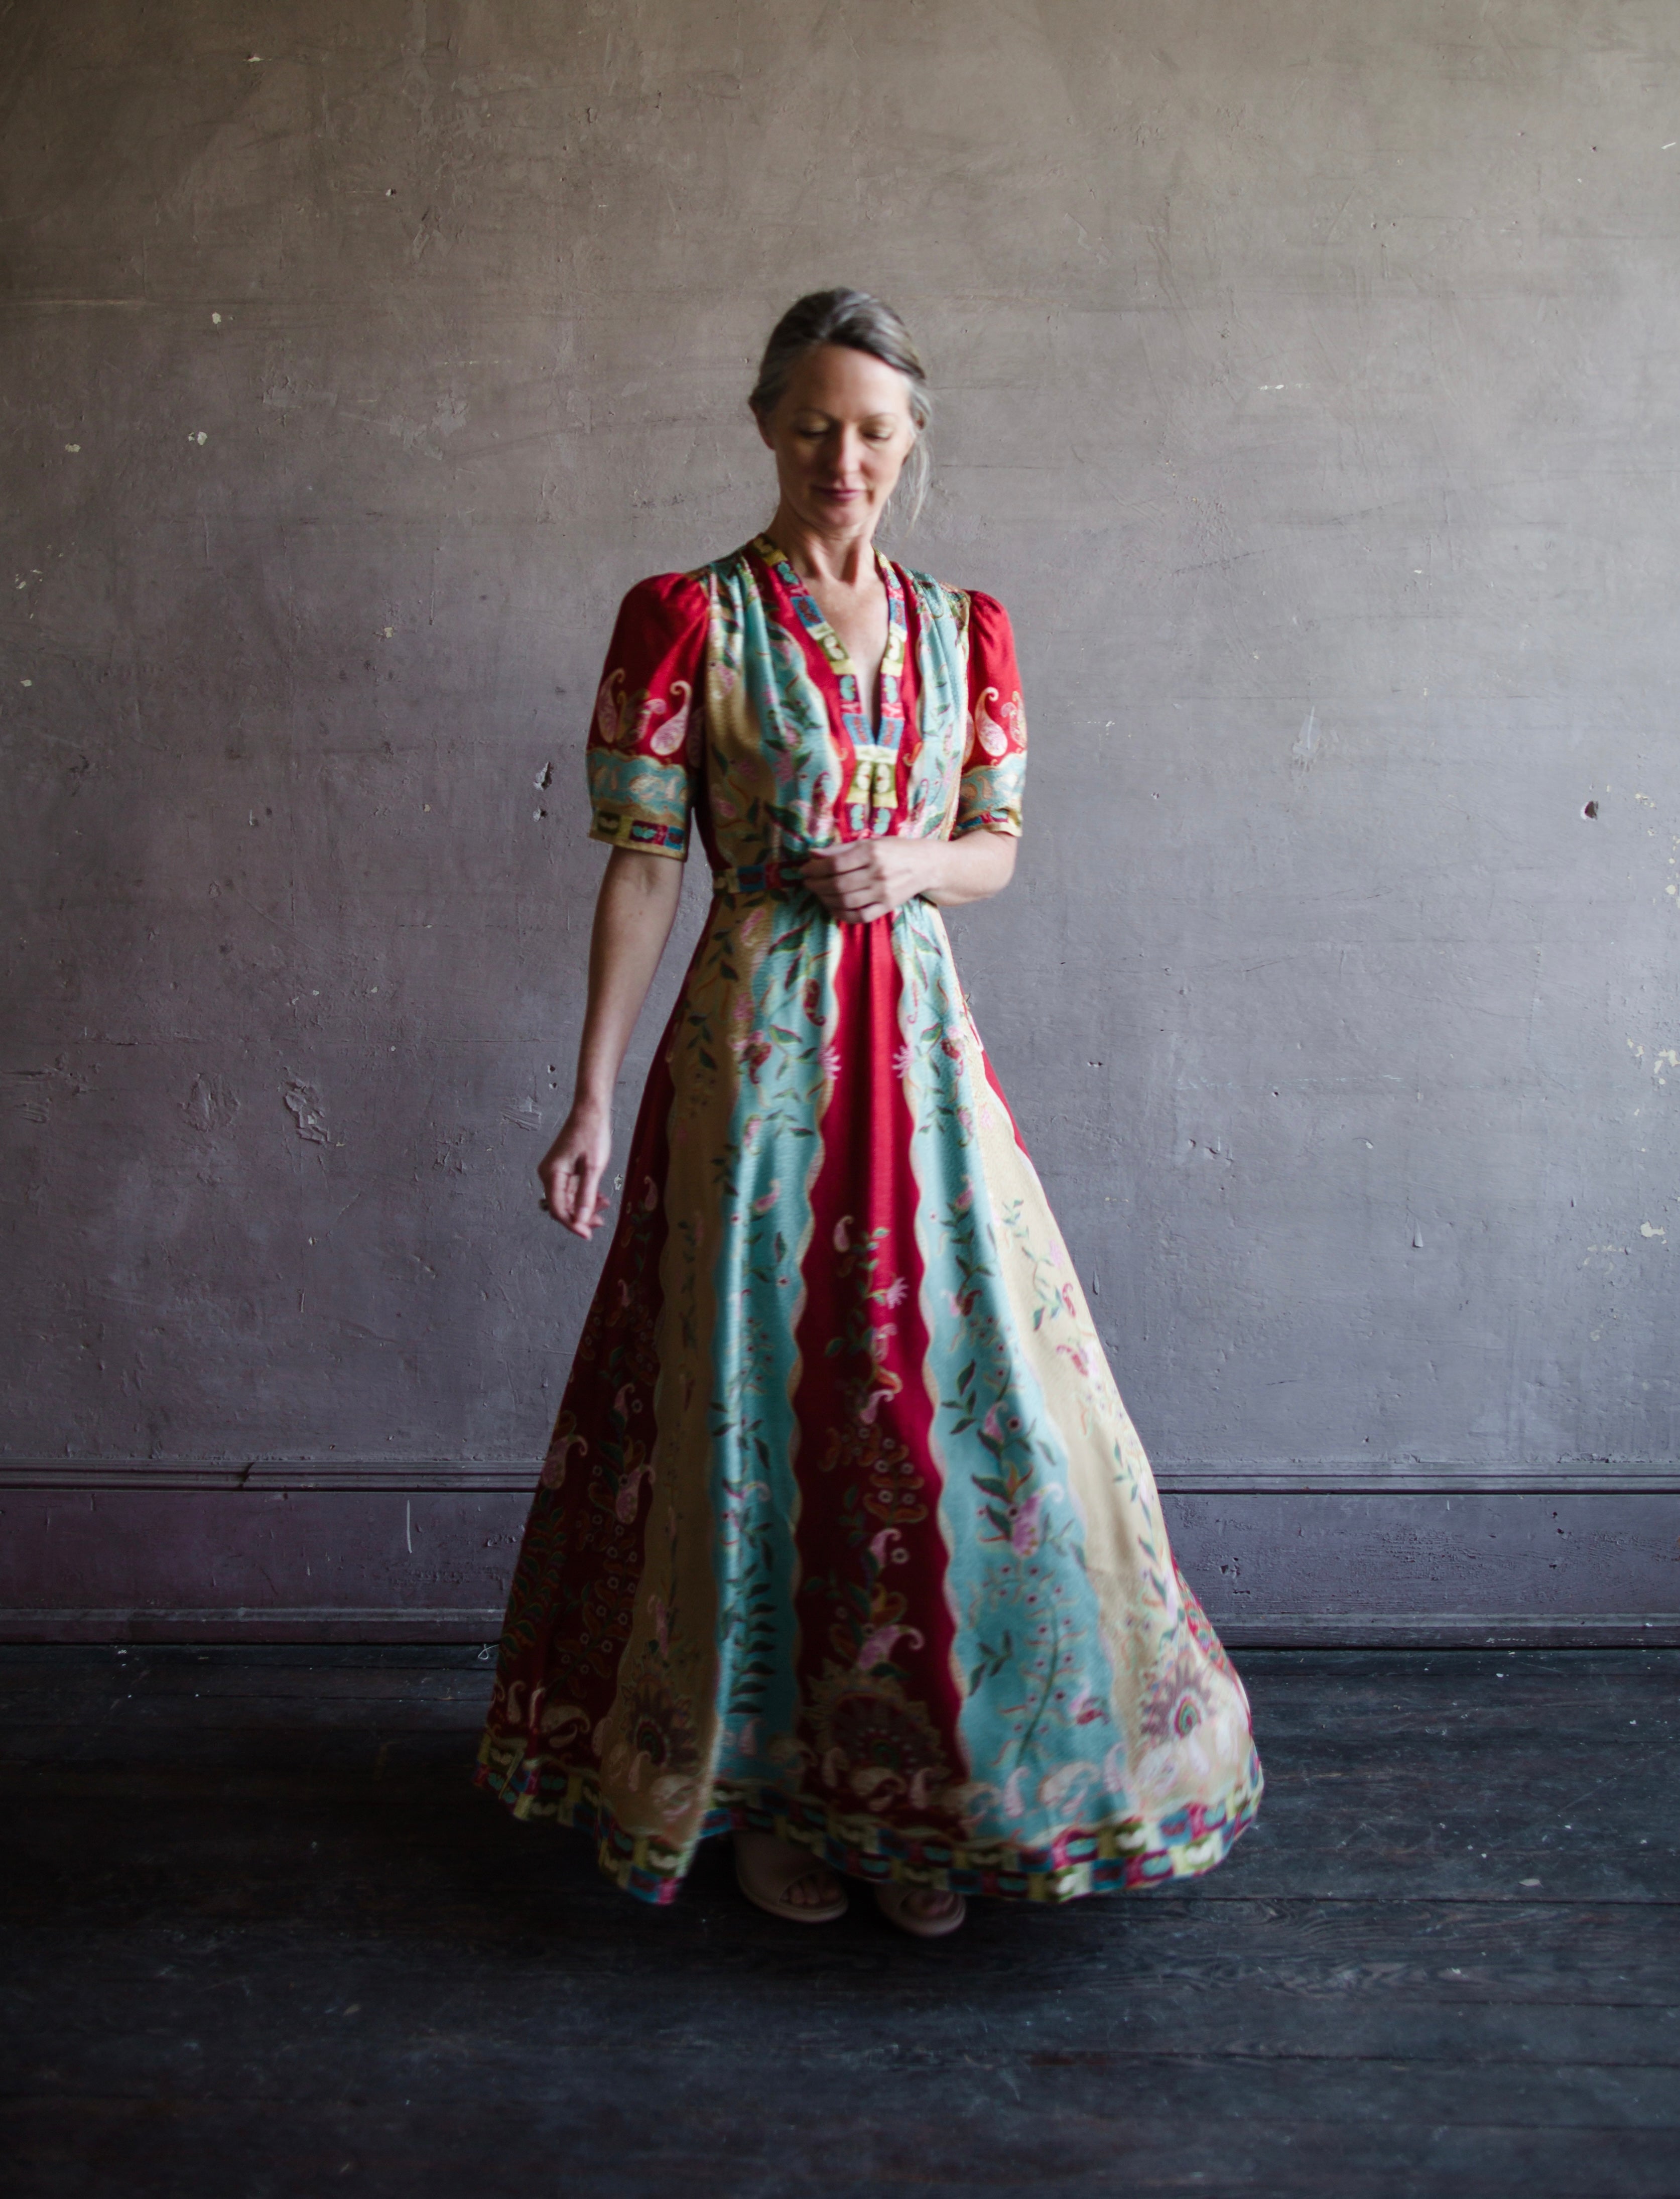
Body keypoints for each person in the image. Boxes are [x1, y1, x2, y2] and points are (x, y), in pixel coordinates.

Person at [477, 290, 1262, 1937]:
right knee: (757, 1406)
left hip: (913, 1054)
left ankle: (931, 1799)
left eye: (877, 432)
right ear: (767, 424)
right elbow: (640, 863)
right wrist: (592, 1095)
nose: (846, 458)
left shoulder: (966, 626)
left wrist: (907, 863)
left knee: (939, 1406)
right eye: (817, 424)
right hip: (748, 1062)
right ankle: (763, 1793)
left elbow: (992, 847)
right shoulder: (682, 616)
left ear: (912, 446)